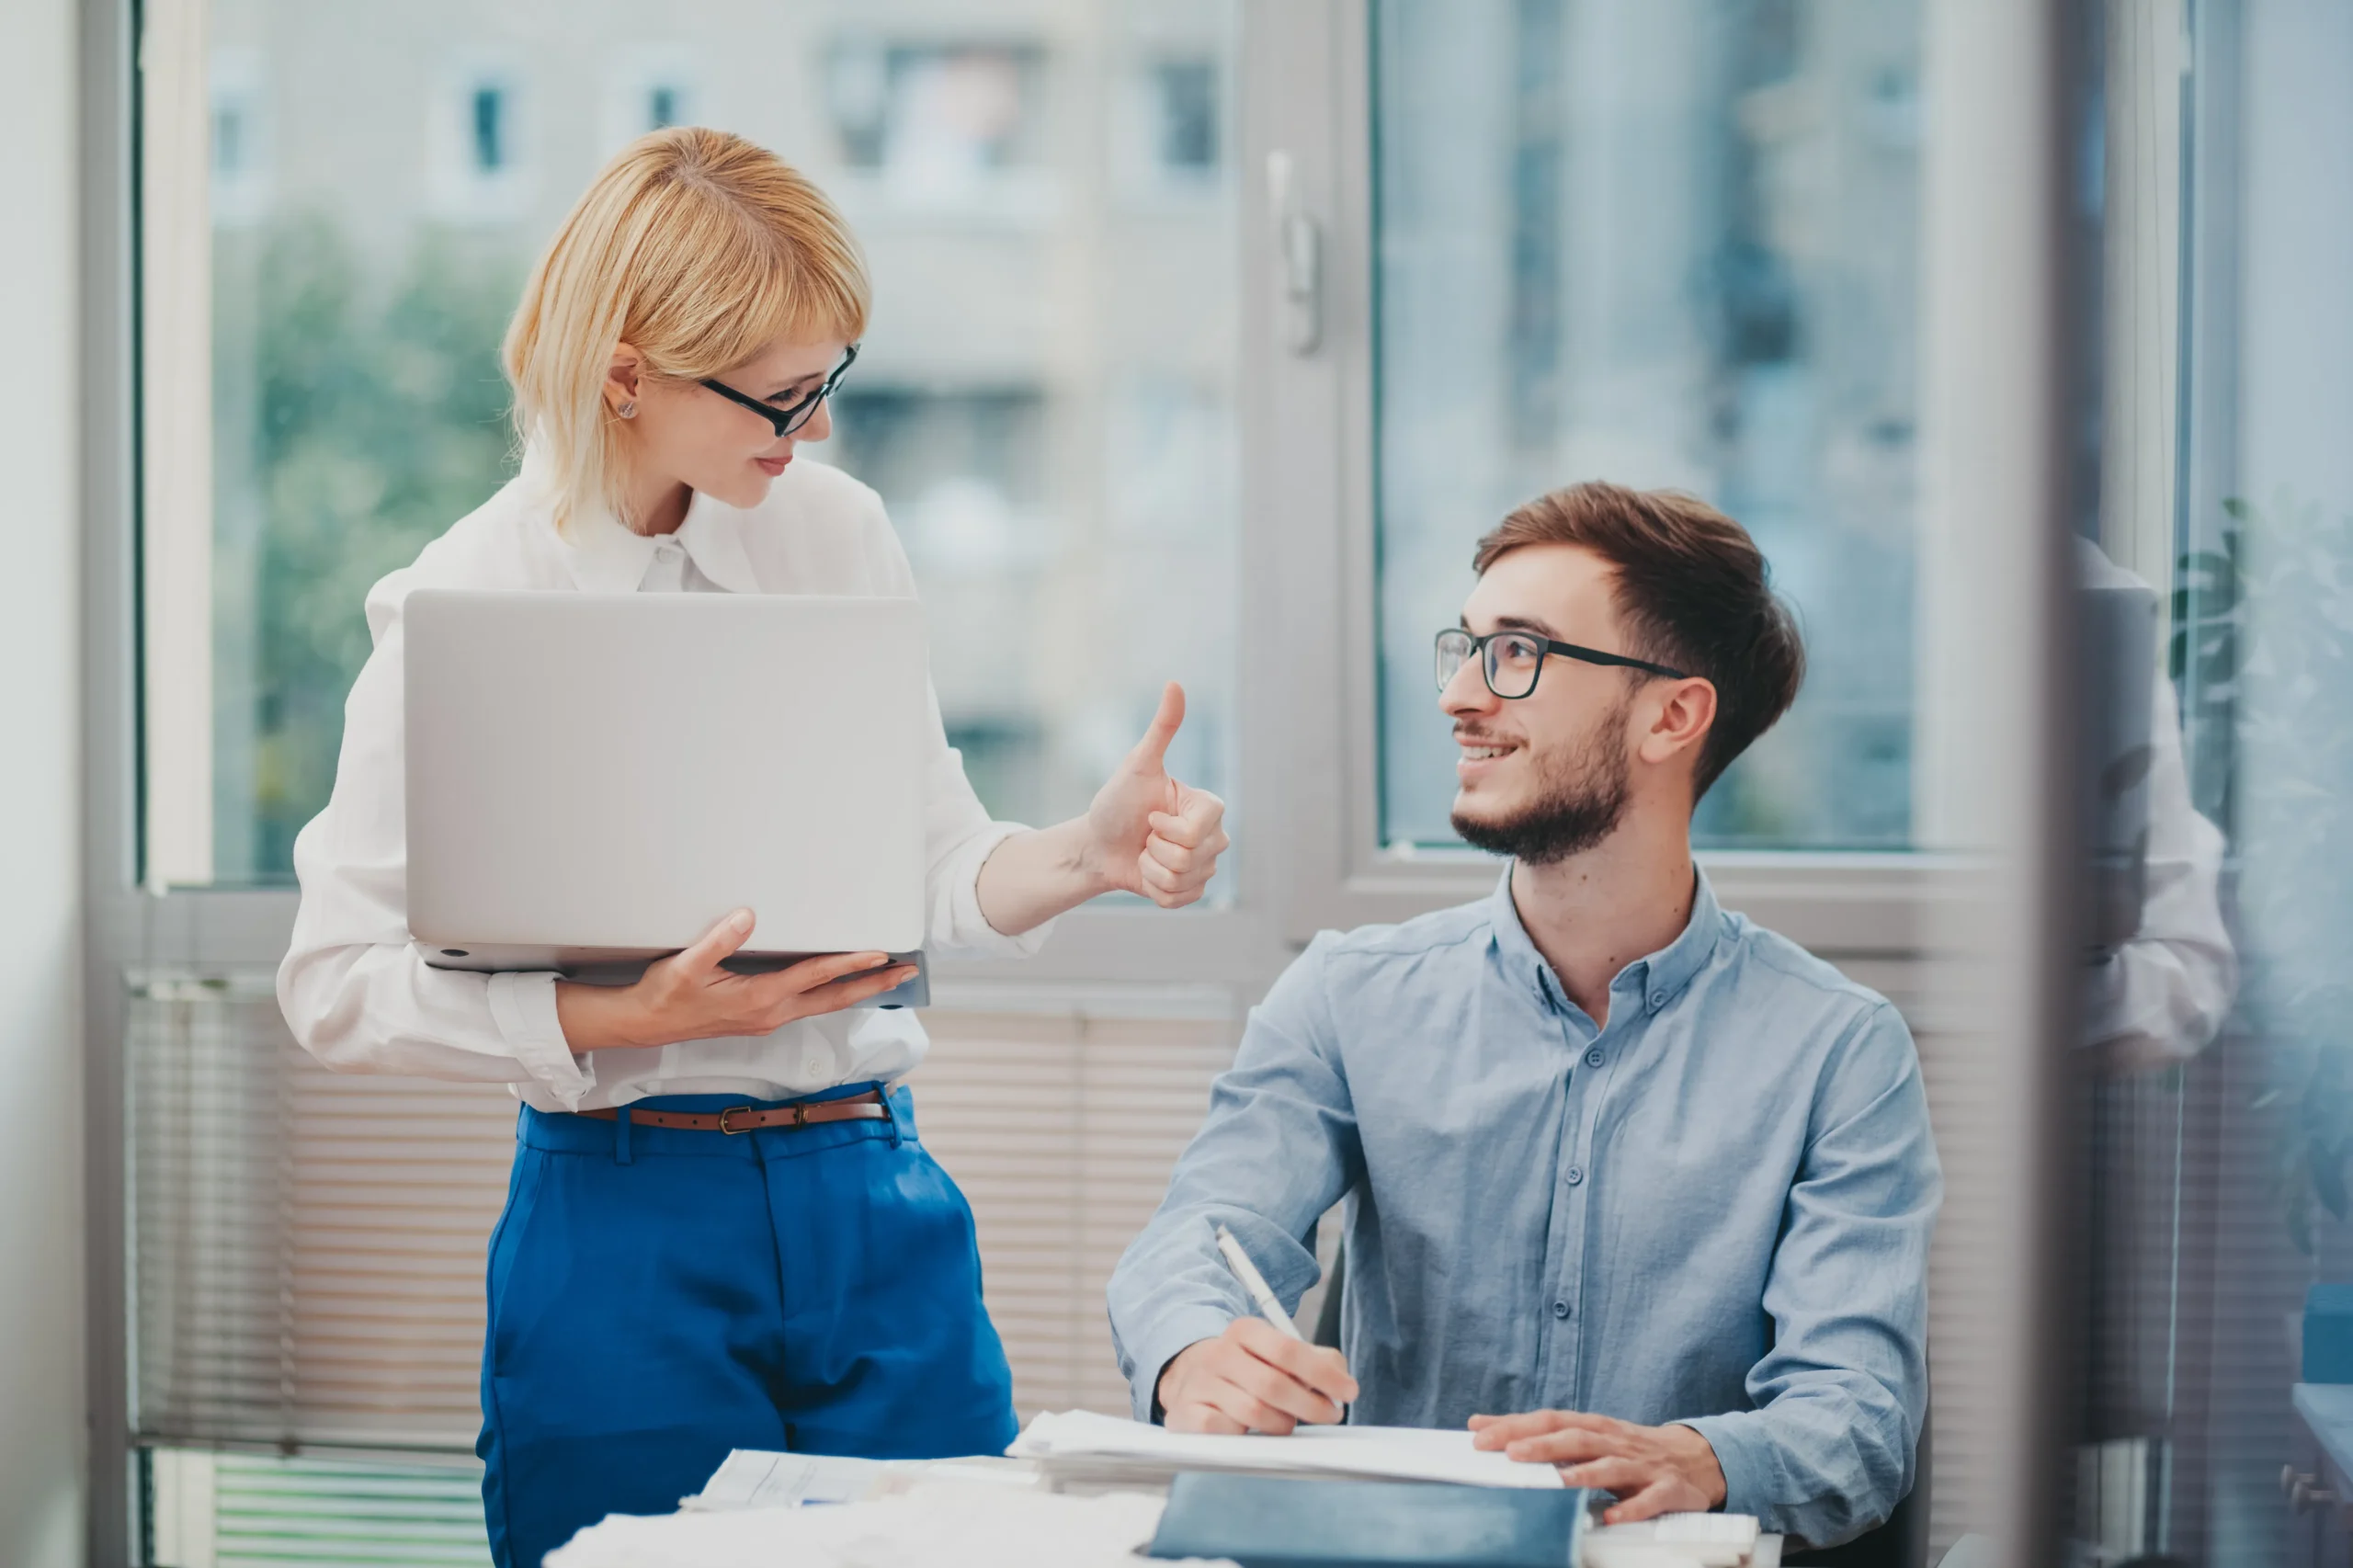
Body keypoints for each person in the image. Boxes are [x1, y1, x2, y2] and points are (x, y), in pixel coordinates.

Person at [277, 128, 1229, 1568]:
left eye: (826, 383)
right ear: (626, 373)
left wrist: (1087, 853)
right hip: (623, 1212)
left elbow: (925, 868)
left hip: (877, 1195)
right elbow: (332, 981)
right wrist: (620, 1014)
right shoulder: (462, 598)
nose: (818, 432)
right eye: (783, 398)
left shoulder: (833, 532)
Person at [1106, 482, 1939, 1551]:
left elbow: (1856, 1416)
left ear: (1672, 715)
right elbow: (1200, 1236)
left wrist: (1699, 1457)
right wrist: (1192, 1352)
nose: (1459, 695)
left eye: (1519, 654)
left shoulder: (1837, 1048)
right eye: (1464, 647)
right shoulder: (1347, 994)